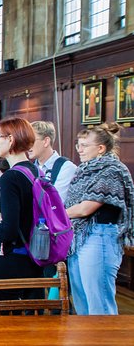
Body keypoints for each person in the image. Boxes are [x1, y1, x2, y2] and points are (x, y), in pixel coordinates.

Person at [64, 123, 134, 315]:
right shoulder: (84, 170)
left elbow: (86, 208)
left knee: (99, 305)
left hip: (100, 237)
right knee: (81, 303)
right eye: (78, 145)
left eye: (84, 145)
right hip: (79, 238)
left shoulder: (112, 170)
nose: (79, 149)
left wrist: (55, 214)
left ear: (101, 148)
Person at [0, 117, 43, 304]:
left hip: (11, 259)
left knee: (6, 325)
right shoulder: (35, 171)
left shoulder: (11, 177)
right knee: (32, 324)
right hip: (34, 257)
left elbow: (9, 232)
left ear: (11, 140)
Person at [28, 121, 77, 202]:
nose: (27, 145)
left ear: (46, 141)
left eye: (31, 141)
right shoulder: (29, 168)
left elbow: (55, 202)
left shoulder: (66, 168)